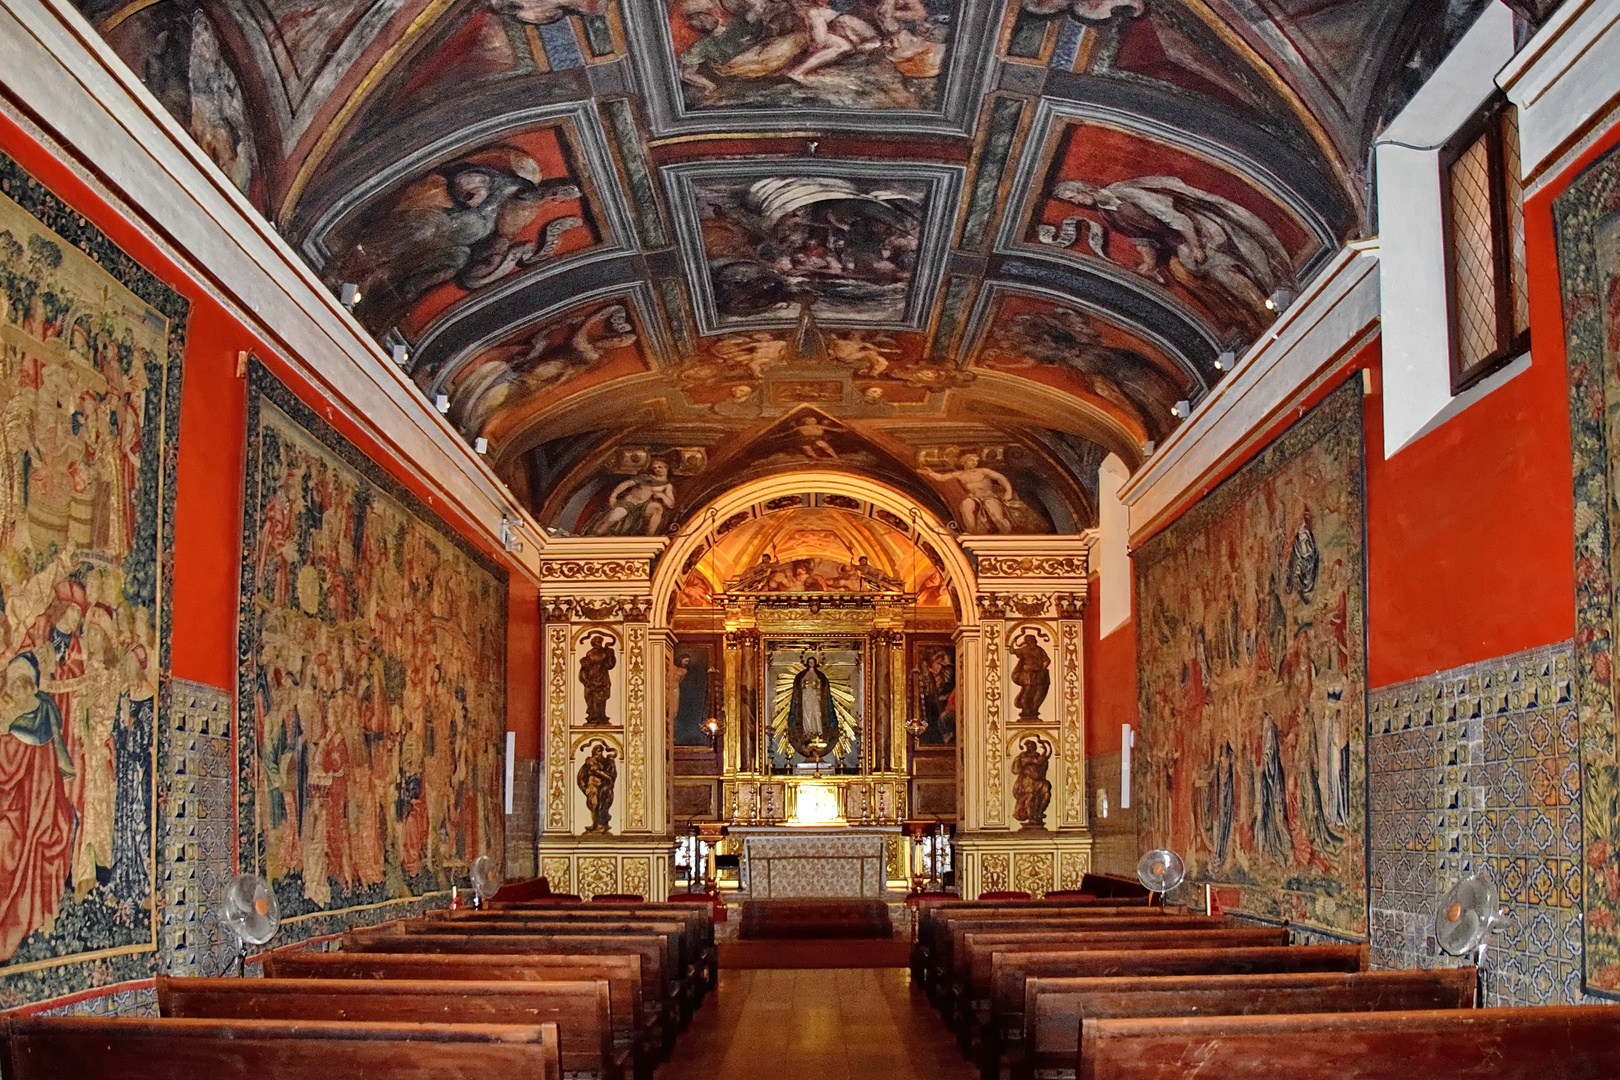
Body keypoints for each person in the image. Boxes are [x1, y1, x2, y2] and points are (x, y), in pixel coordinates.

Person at [920, 452, 1019, 534]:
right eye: (971, 460)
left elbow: (1001, 478)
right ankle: (971, 530)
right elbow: (941, 477)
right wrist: (930, 473)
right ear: (964, 461)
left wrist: (1008, 492)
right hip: (973, 497)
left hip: (988, 496)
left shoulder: (983, 471)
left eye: (976, 461)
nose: (974, 463)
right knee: (966, 505)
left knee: (995, 515)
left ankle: (1006, 532)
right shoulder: (960, 474)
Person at [589, 460, 676, 536]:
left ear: (666, 468)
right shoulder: (645, 477)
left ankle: (649, 536)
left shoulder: (667, 486)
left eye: (660, 467)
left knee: (657, 508)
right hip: (629, 502)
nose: (657, 469)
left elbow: (671, 504)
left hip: (644, 506)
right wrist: (613, 495)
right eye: (654, 468)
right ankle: (595, 533)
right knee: (614, 517)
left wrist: (662, 496)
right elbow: (626, 484)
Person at [787, 656, 832, 742]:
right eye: (809, 662)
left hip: (815, 696)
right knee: (806, 713)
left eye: (812, 662)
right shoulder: (802, 675)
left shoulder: (820, 676)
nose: (811, 663)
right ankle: (807, 732)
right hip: (805, 696)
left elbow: (823, 688)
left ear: (815, 663)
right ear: (807, 663)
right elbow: (798, 688)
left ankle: (818, 732)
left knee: (817, 713)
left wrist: (818, 693)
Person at [576, 741, 618, 834]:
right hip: (592, 787)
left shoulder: (607, 762)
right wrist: (584, 787)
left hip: (604, 787)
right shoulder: (590, 762)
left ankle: (602, 824)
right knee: (594, 803)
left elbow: (612, 774)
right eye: (596, 751)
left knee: (604, 804)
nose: (597, 754)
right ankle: (596, 824)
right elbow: (582, 776)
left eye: (599, 751)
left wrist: (608, 780)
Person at [1011, 737, 1052, 827]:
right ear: (1027, 747)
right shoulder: (1023, 756)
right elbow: (1016, 769)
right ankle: (1031, 817)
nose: (1032, 748)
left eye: (1033, 746)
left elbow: (1042, 763)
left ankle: (1039, 813)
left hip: (1039, 780)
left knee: (1046, 794)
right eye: (1030, 746)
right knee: (1030, 796)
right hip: (1028, 781)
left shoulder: (1038, 756)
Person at [1010, 631, 1051, 720]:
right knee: (1028, 691)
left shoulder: (1039, 650)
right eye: (1029, 640)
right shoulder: (1024, 649)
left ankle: (1033, 709)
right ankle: (1025, 709)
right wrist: (1014, 639)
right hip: (1028, 675)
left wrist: (1043, 669)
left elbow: (1047, 660)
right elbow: (1012, 651)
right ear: (1027, 642)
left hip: (1038, 675)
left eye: (1033, 640)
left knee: (1038, 692)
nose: (1032, 642)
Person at [578, 633, 616, 725]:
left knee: (600, 699)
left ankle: (600, 716)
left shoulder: (605, 653)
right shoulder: (592, 654)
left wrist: (610, 654)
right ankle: (594, 716)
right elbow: (584, 669)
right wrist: (587, 681)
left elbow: (610, 665)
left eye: (600, 642)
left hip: (601, 679)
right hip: (592, 680)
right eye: (597, 642)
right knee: (593, 699)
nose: (599, 644)